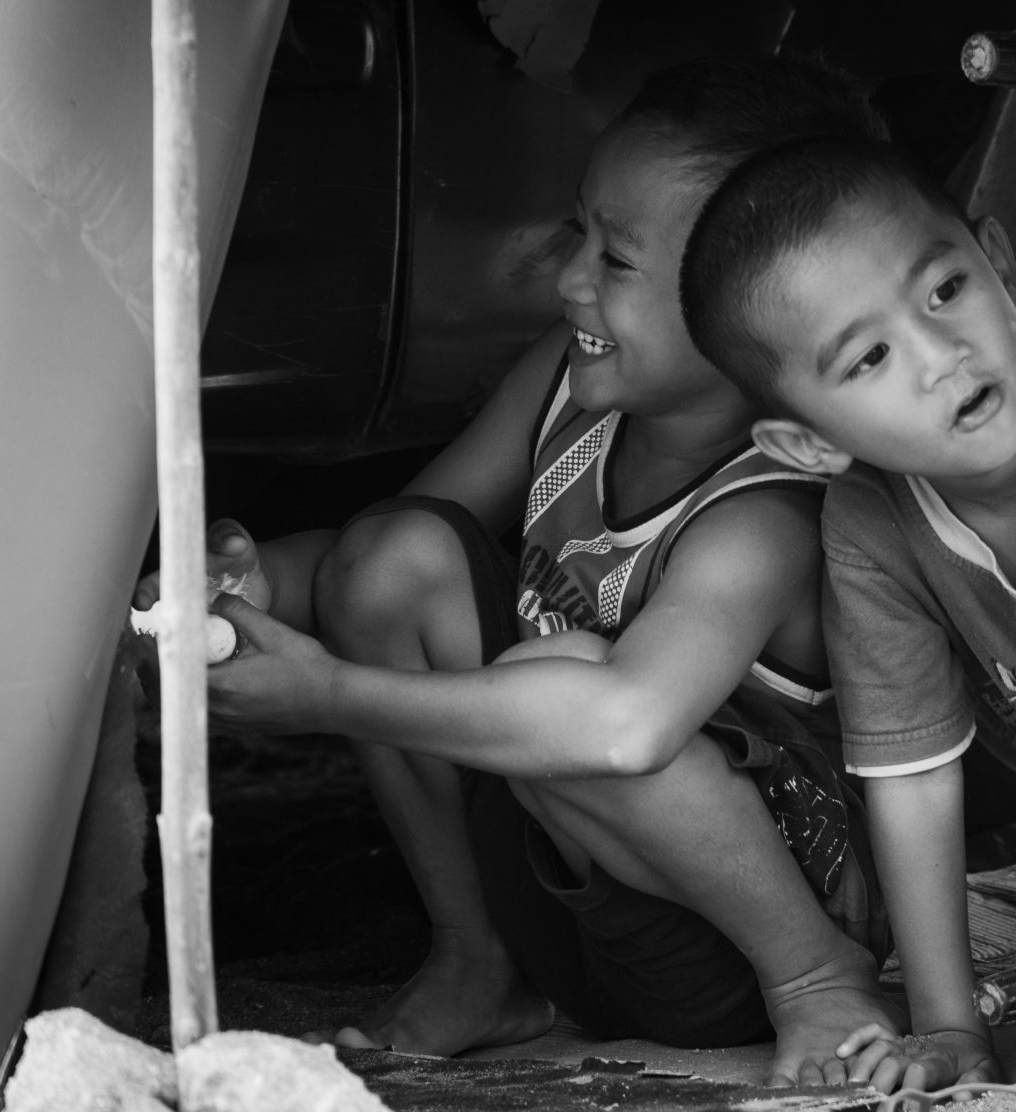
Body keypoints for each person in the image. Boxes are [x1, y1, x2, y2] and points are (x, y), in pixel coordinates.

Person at [141, 59, 904, 1086]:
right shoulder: (568, 383)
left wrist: (324, 694)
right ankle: (480, 960)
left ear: (750, 304)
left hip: (720, 952)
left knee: (574, 683)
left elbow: (626, 728)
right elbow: (384, 559)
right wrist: (254, 584)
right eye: (578, 233)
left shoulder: (766, 510)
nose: (569, 279)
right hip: (564, 878)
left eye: (616, 259)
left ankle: (817, 978)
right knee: (395, 556)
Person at [680, 134, 1016, 1095]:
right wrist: (949, 1027)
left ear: (1003, 266)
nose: (941, 356)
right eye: (871, 356)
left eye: (946, 291)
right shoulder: (873, 525)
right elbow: (915, 777)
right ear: (808, 444)